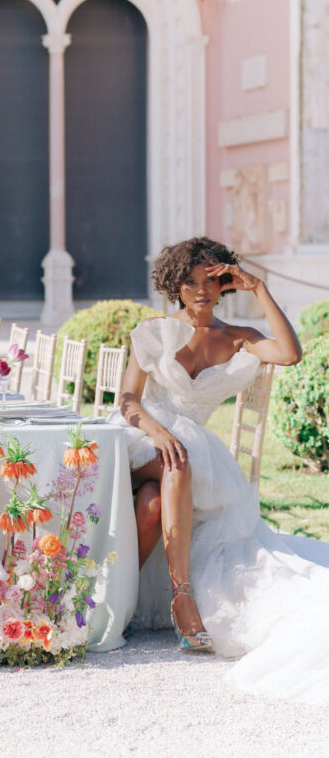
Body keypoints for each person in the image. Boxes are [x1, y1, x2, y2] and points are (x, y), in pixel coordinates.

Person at [108, 237, 329, 702]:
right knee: (178, 460)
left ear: (224, 282)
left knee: (152, 503)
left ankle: (117, 604)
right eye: (189, 283)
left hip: (189, 448)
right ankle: (183, 597)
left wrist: (261, 290)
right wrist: (157, 431)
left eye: (209, 281)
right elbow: (126, 401)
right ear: (175, 286)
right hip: (139, 437)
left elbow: (289, 354)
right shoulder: (153, 331)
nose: (200, 291)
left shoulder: (238, 337)